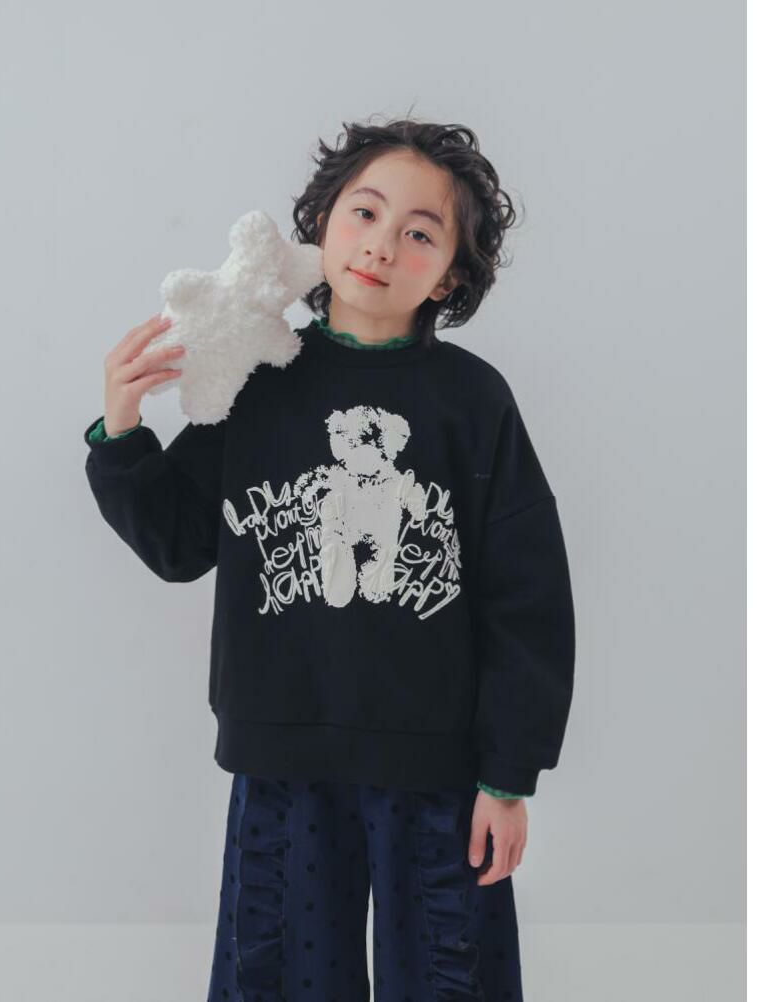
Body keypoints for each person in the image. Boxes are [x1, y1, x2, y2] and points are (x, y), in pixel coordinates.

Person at [83, 117, 575, 1001]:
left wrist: (509, 777)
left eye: (420, 233)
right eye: (366, 213)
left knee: (451, 979)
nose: (382, 246)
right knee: (277, 980)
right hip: (284, 757)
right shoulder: (257, 377)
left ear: (450, 274)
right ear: (321, 223)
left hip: (438, 769)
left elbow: (527, 600)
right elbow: (179, 543)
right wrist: (120, 431)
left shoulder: (473, 402)